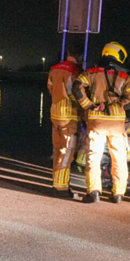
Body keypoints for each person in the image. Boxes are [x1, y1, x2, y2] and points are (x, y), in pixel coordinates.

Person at [72, 41, 130, 203]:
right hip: (117, 122)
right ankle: (118, 193)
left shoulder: (92, 72)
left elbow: (76, 86)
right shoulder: (124, 76)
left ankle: (93, 191)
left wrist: (88, 104)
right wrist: (119, 105)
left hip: (96, 119)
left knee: (93, 156)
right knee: (119, 157)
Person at [46, 41, 84, 199]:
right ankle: (60, 188)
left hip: (55, 115)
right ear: (79, 56)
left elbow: (50, 88)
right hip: (69, 117)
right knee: (67, 152)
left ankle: (58, 183)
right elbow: (77, 93)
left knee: (57, 151)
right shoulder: (76, 71)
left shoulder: (54, 69)